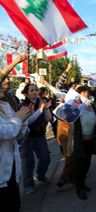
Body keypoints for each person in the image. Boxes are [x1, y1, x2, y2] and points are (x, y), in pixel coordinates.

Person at [0, 54, 31, 212]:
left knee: (15, 205)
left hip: (11, 166)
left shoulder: (4, 105)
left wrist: (24, 119)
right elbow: (5, 132)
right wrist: (18, 119)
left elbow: (17, 133)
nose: (3, 87)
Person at [19, 84, 52, 195]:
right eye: (31, 90)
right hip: (27, 138)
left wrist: (46, 108)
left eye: (36, 89)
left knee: (45, 158)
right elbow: (29, 122)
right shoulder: (23, 105)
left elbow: (49, 118)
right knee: (28, 163)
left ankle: (40, 175)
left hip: (40, 136)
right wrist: (40, 110)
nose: (34, 92)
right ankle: (28, 185)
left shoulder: (41, 102)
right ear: (26, 93)